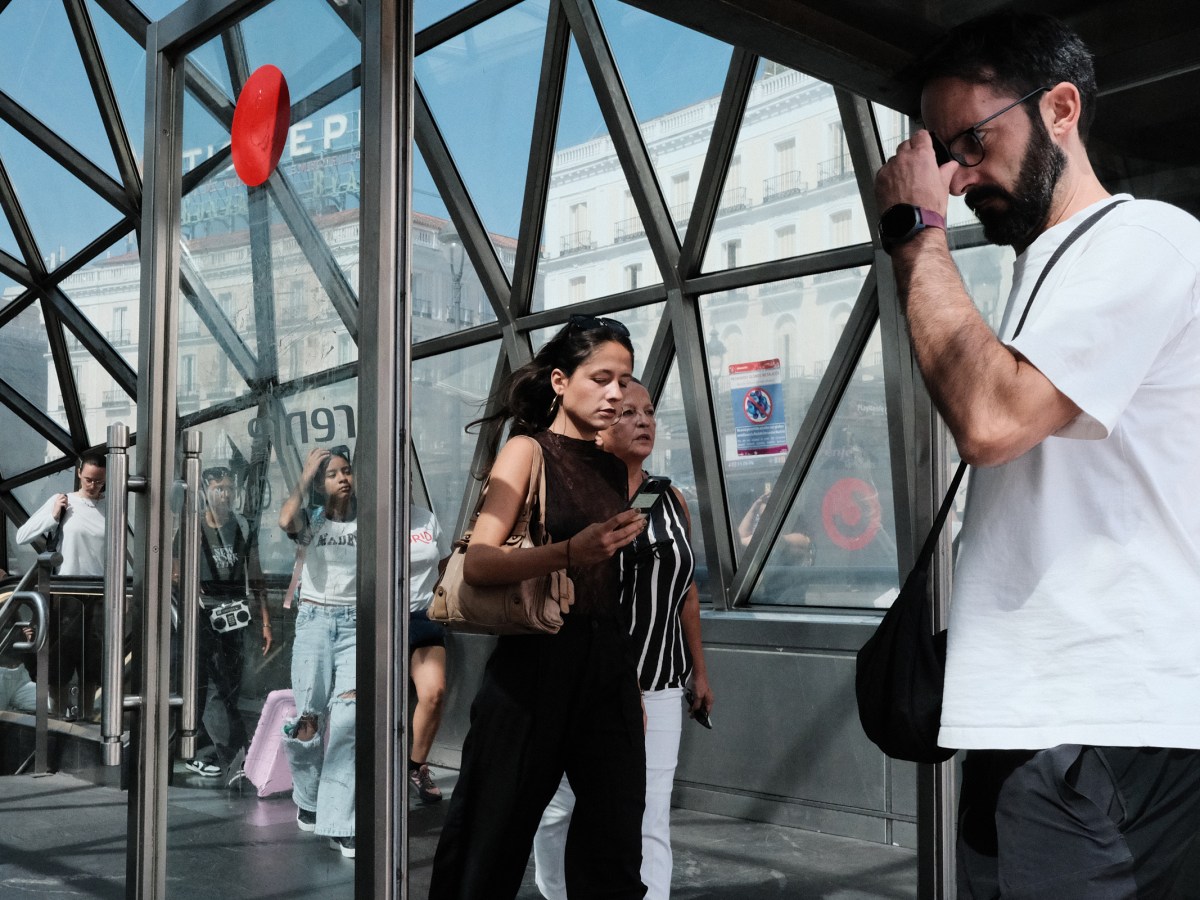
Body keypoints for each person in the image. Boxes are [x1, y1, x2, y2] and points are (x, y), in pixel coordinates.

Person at [874, 11, 1200, 897]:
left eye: (973, 141)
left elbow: (990, 419)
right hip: (1032, 720)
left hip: (1099, 723)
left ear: (1060, 109)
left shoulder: (1145, 241)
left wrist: (914, 230)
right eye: (943, 155)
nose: (956, 177)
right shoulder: (1048, 272)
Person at [428, 315, 649, 900]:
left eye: (624, 381)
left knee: (615, 848)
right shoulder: (526, 451)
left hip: (606, 666)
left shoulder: (611, 464)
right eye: (601, 378)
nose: (616, 393)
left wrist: (625, 682)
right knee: (489, 837)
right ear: (559, 380)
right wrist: (570, 552)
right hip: (535, 665)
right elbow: (479, 562)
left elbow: (609, 585)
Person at [532, 379, 714, 900]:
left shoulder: (669, 497)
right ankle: (557, 892)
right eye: (628, 413)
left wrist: (699, 671)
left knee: (651, 811)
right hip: (592, 679)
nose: (643, 421)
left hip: (660, 681)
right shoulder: (583, 498)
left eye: (649, 412)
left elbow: (686, 590)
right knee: (560, 808)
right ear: (599, 427)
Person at [278, 444, 357, 860]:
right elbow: (284, 520)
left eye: (347, 471)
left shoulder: (370, 520)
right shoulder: (311, 521)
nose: (343, 478)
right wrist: (306, 476)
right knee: (309, 720)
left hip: (356, 627)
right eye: (333, 474)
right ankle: (308, 800)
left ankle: (340, 822)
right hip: (314, 621)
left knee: (348, 722)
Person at [181, 465, 270, 778]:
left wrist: (265, 620)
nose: (226, 494)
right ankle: (228, 755)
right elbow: (175, 569)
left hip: (235, 614)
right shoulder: (193, 527)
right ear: (205, 492)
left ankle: (224, 751)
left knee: (230, 684)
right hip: (203, 613)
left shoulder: (242, 526)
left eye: (230, 488)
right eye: (219, 488)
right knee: (214, 685)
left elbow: (255, 574)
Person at [15, 453, 108, 717]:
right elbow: (22, 535)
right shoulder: (65, 501)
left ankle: (87, 721)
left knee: (92, 667)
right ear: (79, 473)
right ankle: (57, 724)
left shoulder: (111, 507)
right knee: (60, 668)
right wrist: (54, 516)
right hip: (64, 593)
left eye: (99, 481)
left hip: (99, 594)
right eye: (89, 479)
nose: (93, 486)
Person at [407, 502, 448, 803]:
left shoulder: (426, 518)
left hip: (423, 616)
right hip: (382, 618)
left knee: (433, 694)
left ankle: (415, 767)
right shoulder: (366, 517)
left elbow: (444, 562)